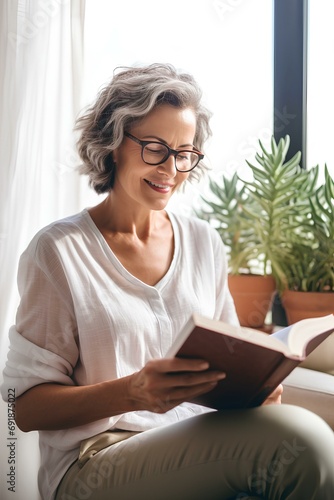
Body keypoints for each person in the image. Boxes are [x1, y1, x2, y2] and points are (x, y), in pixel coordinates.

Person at [1, 63, 334, 500]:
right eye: (155, 148)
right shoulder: (58, 252)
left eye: (184, 153)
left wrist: (257, 387)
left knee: (297, 435)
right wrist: (133, 392)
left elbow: (227, 357)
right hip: (95, 461)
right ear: (114, 143)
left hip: (197, 440)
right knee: (304, 442)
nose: (171, 169)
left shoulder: (203, 242)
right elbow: (25, 408)